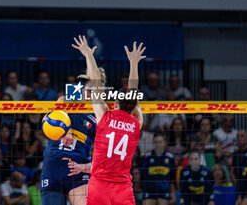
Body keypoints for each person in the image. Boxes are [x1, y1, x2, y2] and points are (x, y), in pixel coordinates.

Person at [72, 36, 144, 205]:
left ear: (116, 103)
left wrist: (89, 55)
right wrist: (134, 64)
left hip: (99, 186)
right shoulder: (136, 124)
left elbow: (96, 85)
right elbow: (134, 91)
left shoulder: (105, 116)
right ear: (134, 106)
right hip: (123, 188)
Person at [39, 70, 100, 205]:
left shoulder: (99, 111)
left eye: (95, 92)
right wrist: (66, 131)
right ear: (83, 89)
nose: (91, 95)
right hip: (54, 164)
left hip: (78, 167)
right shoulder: (75, 96)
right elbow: (60, 101)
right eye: (89, 90)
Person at [140, 132, 176, 205]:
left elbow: (172, 177)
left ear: (164, 143)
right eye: (156, 142)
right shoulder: (147, 157)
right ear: (153, 143)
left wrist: (173, 193)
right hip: (150, 190)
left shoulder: (170, 157)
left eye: (160, 142)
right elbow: (142, 175)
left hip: (164, 190)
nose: (158, 144)